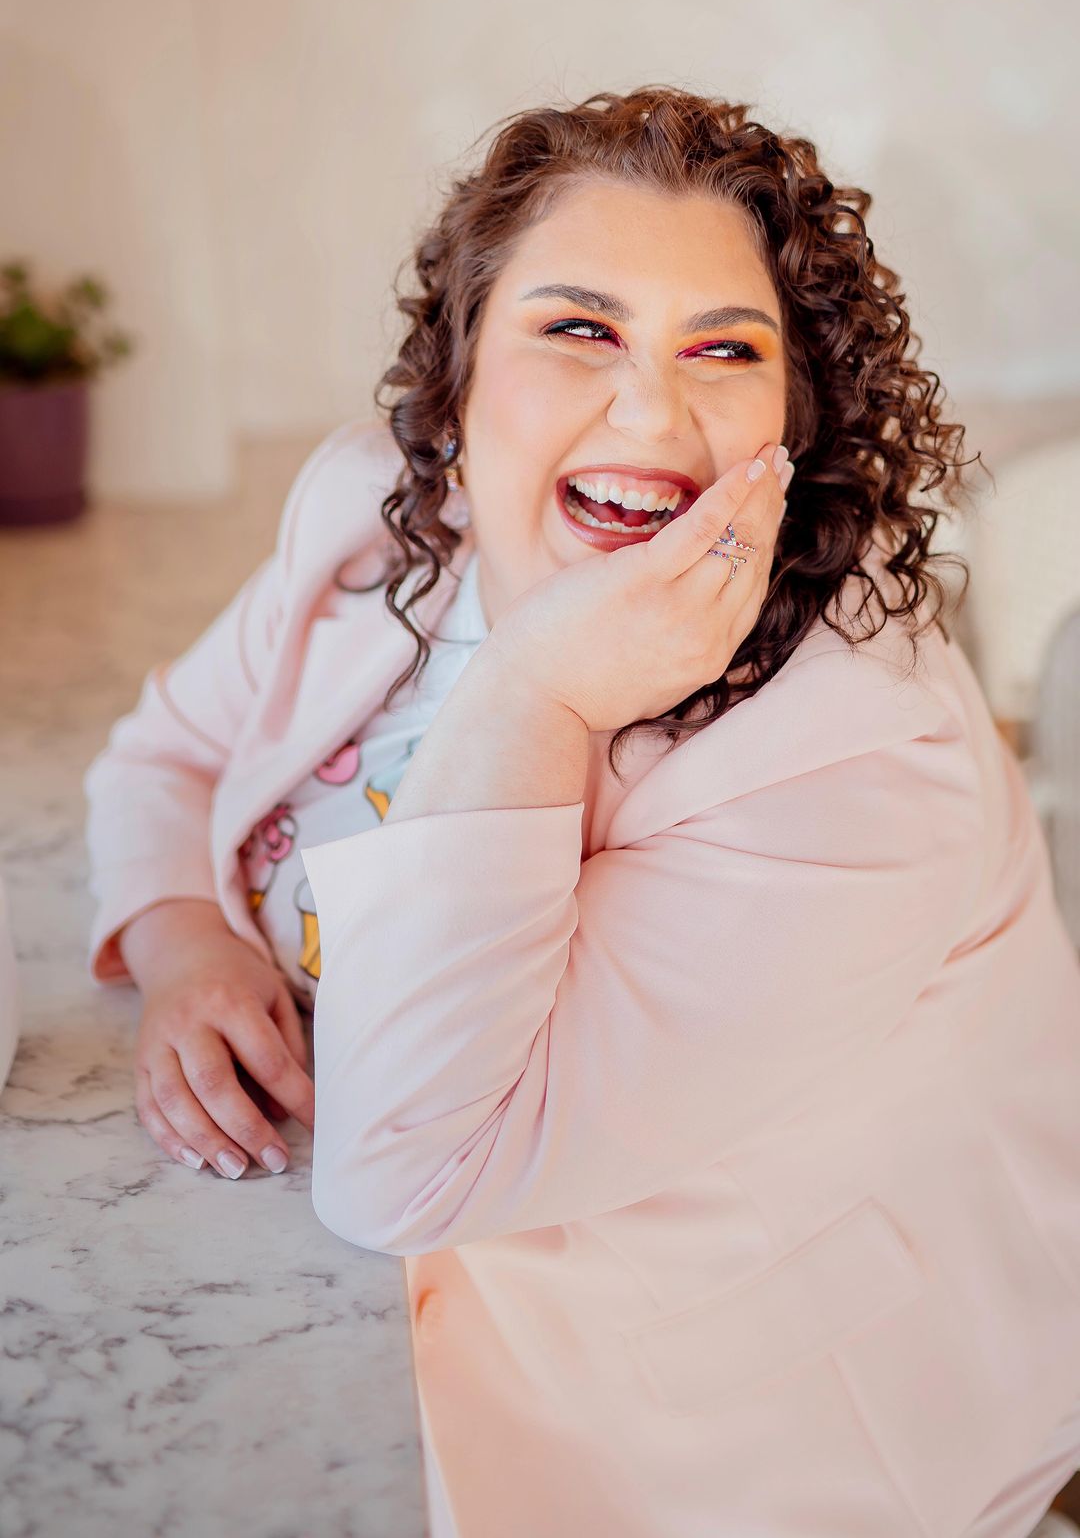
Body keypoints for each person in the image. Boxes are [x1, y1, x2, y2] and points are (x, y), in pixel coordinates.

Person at [84, 87, 1080, 1538]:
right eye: (578, 328)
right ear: (460, 376)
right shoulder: (379, 517)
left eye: (725, 349)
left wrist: (535, 691)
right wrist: (186, 938)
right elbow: (164, 755)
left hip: (724, 1429)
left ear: (796, 417)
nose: (652, 411)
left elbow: (415, 1171)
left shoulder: (861, 750)